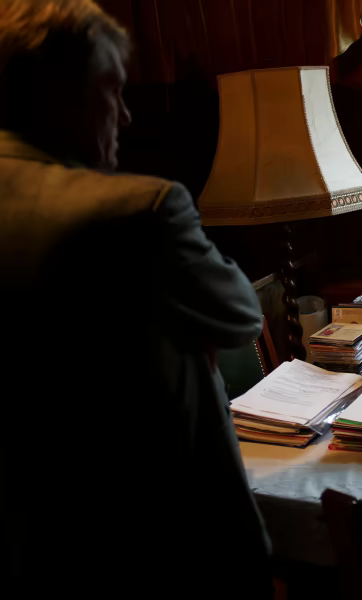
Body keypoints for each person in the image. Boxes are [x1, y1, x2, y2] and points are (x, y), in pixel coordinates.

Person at [0, 1, 271, 597]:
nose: (125, 116)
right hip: (155, 540)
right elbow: (240, 313)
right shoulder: (139, 211)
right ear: (57, 94)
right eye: (112, 90)